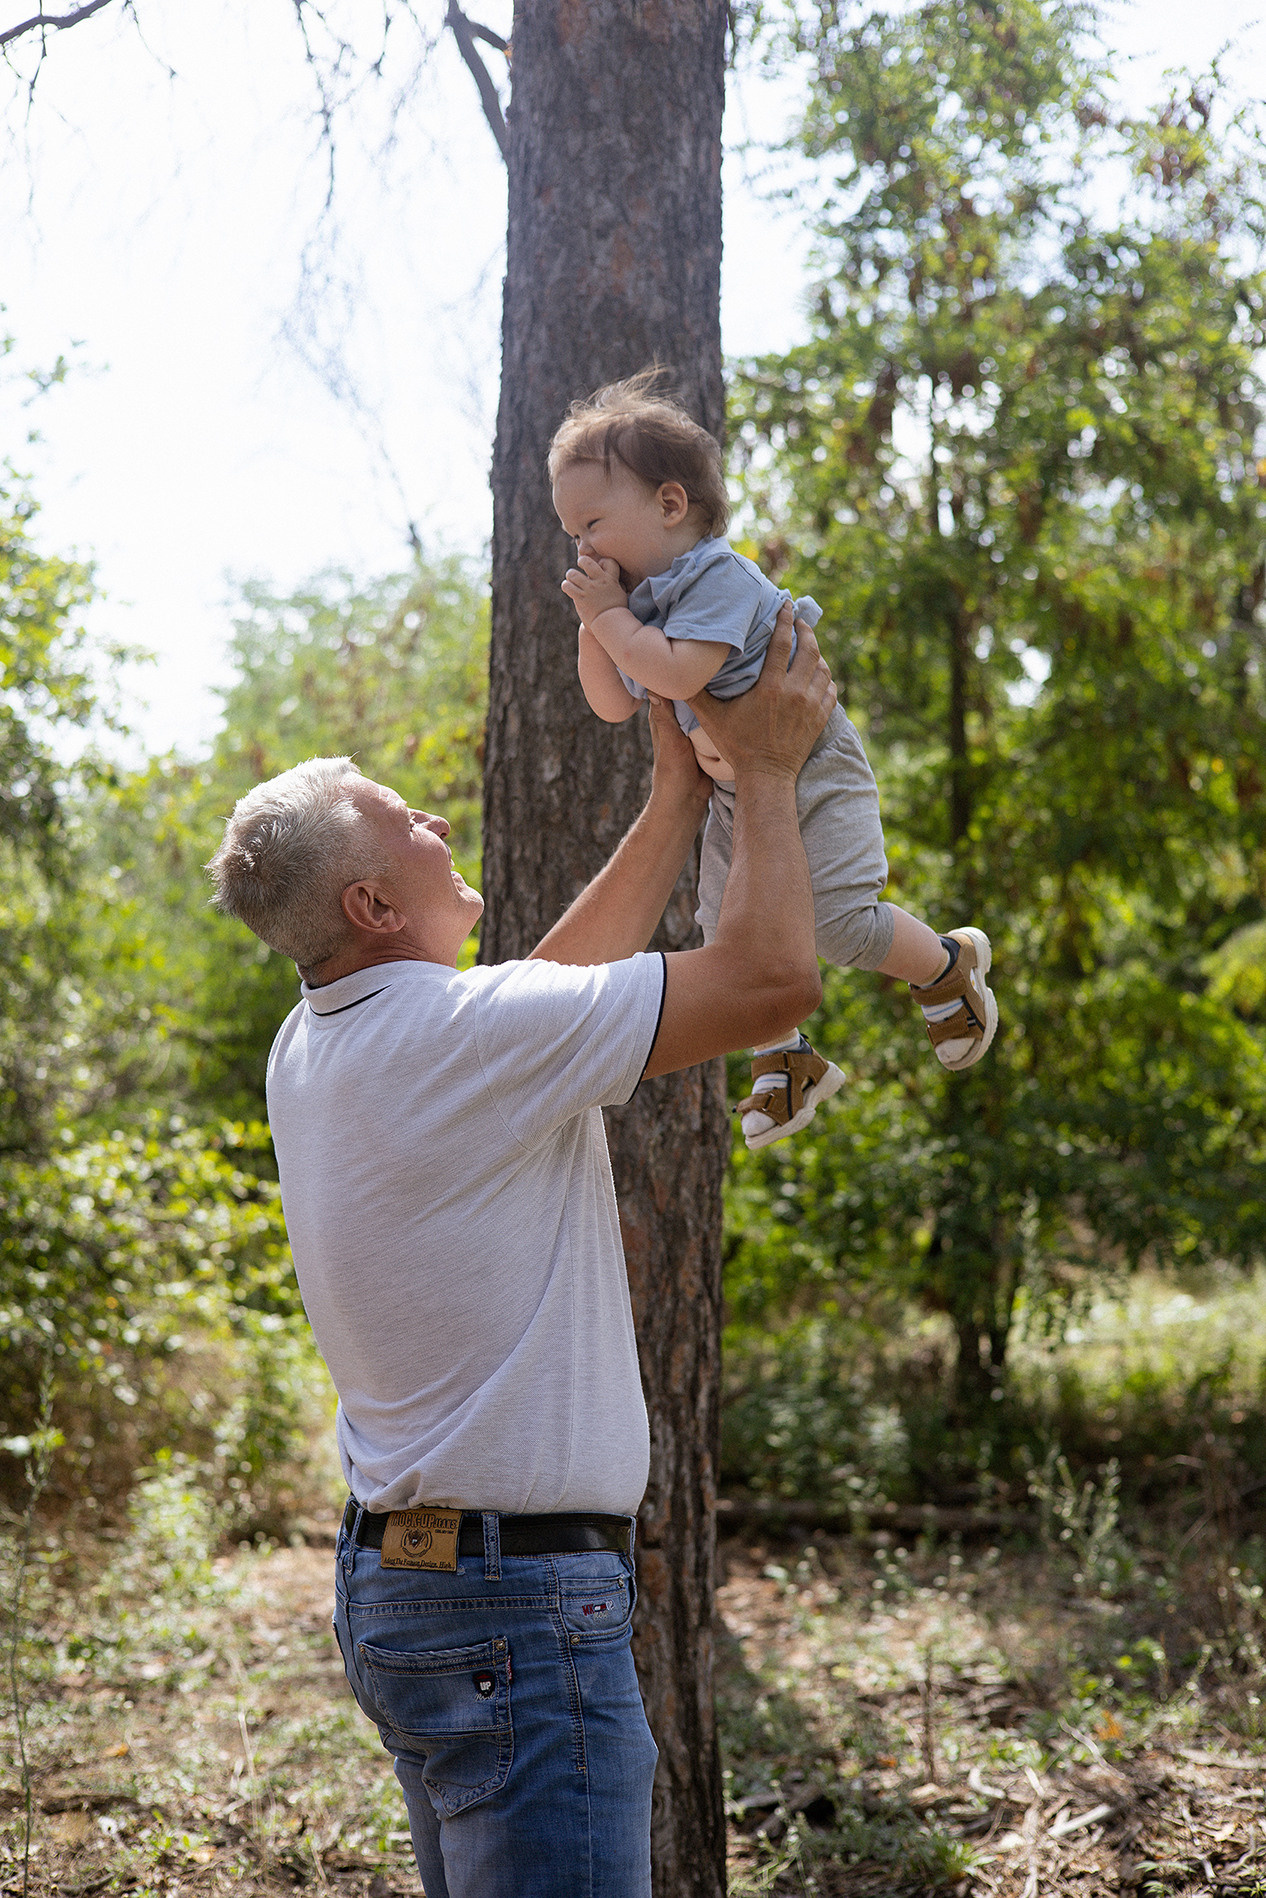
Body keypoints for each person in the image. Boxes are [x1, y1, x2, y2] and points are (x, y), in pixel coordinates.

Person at [205, 607, 833, 1898]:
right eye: (405, 822)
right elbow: (771, 977)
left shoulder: (322, 1036)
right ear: (374, 901)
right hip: (513, 1612)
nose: (437, 821)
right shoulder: (454, 1040)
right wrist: (762, 771)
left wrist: (670, 796)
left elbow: (536, 1005)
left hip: (411, 1591)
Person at [550, 371, 998, 1150]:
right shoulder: (640, 609)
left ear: (669, 504)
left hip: (814, 769)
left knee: (837, 924)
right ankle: (786, 1059)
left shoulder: (717, 575)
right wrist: (598, 626)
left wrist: (612, 618)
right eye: (572, 537)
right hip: (738, 794)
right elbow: (615, 702)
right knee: (728, 934)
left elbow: (679, 674)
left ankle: (946, 966)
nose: (583, 548)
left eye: (592, 524)